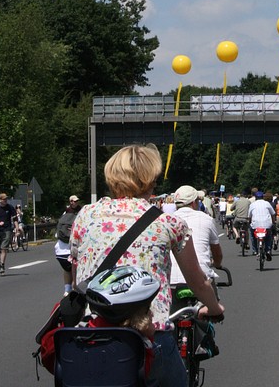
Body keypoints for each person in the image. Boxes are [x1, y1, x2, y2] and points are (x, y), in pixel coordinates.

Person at [70, 143, 224, 387]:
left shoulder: (85, 216)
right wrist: (214, 307)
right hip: (150, 336)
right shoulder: (168, 222)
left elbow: (77, 279)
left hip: (95, 335)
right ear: (151, 179)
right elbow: (197, 281)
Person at [86, 265, 162, 382]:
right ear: (138, 317)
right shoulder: (136, 346)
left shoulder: (81, 336)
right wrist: (149, 336)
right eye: (147, 309)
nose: (151, 314)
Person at [170, 185, 223, 290]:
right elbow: (216, 251)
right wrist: (217, 264)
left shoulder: (167, 220)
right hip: (201, 278)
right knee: (212, 300)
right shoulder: (206, 219)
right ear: (194, 203)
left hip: (172, 279)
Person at [55, 195, 82, 296]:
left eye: (76, 201)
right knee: (74, 269)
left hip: (61, 250)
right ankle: (72, 289)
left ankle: (68, 289)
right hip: (71, 248)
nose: (74, 203)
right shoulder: (81, 213)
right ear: (70, 202)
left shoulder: (65, 213)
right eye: (73, 201)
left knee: (68, 269)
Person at [0, 193, 19, 275]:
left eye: (6, 199)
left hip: (6, 229)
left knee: (4, 248)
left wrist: (17, 228)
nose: (6, 200)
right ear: (0, 200)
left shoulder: (10, 207)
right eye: (4, 199)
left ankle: (2, 265)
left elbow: (15, 218)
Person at [248, 191, 275, 260]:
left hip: (255, 225)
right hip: (267, 224)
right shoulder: (267, 203)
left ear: (255, 197)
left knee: (252, 235)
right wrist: (273, 222)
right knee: (268, 237)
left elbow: (249, 216)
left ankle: (255, 250)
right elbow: (273, 214)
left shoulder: (252, 205)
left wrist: (249, 222)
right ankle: (268, 250)